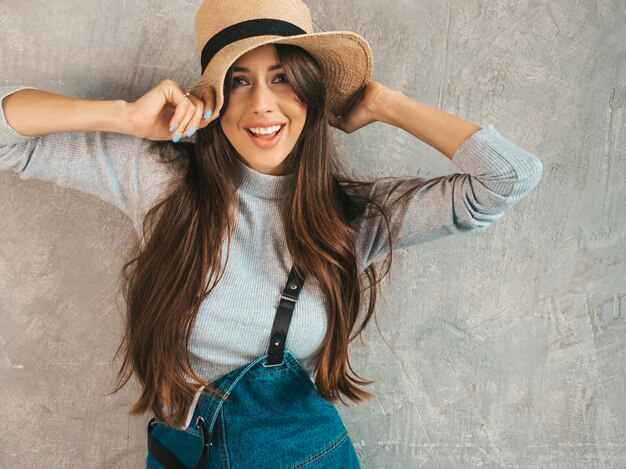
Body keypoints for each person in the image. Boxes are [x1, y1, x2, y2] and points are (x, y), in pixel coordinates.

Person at [0, 0, 543, 467]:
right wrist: (125, 117)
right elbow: (10, 138)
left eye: (282, 77)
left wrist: (382, 104)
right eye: (240, 80)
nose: (262, 103)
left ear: (311, 93)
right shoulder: (161, 181)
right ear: (214, 101)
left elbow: (508, 177)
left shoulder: (354, 218)